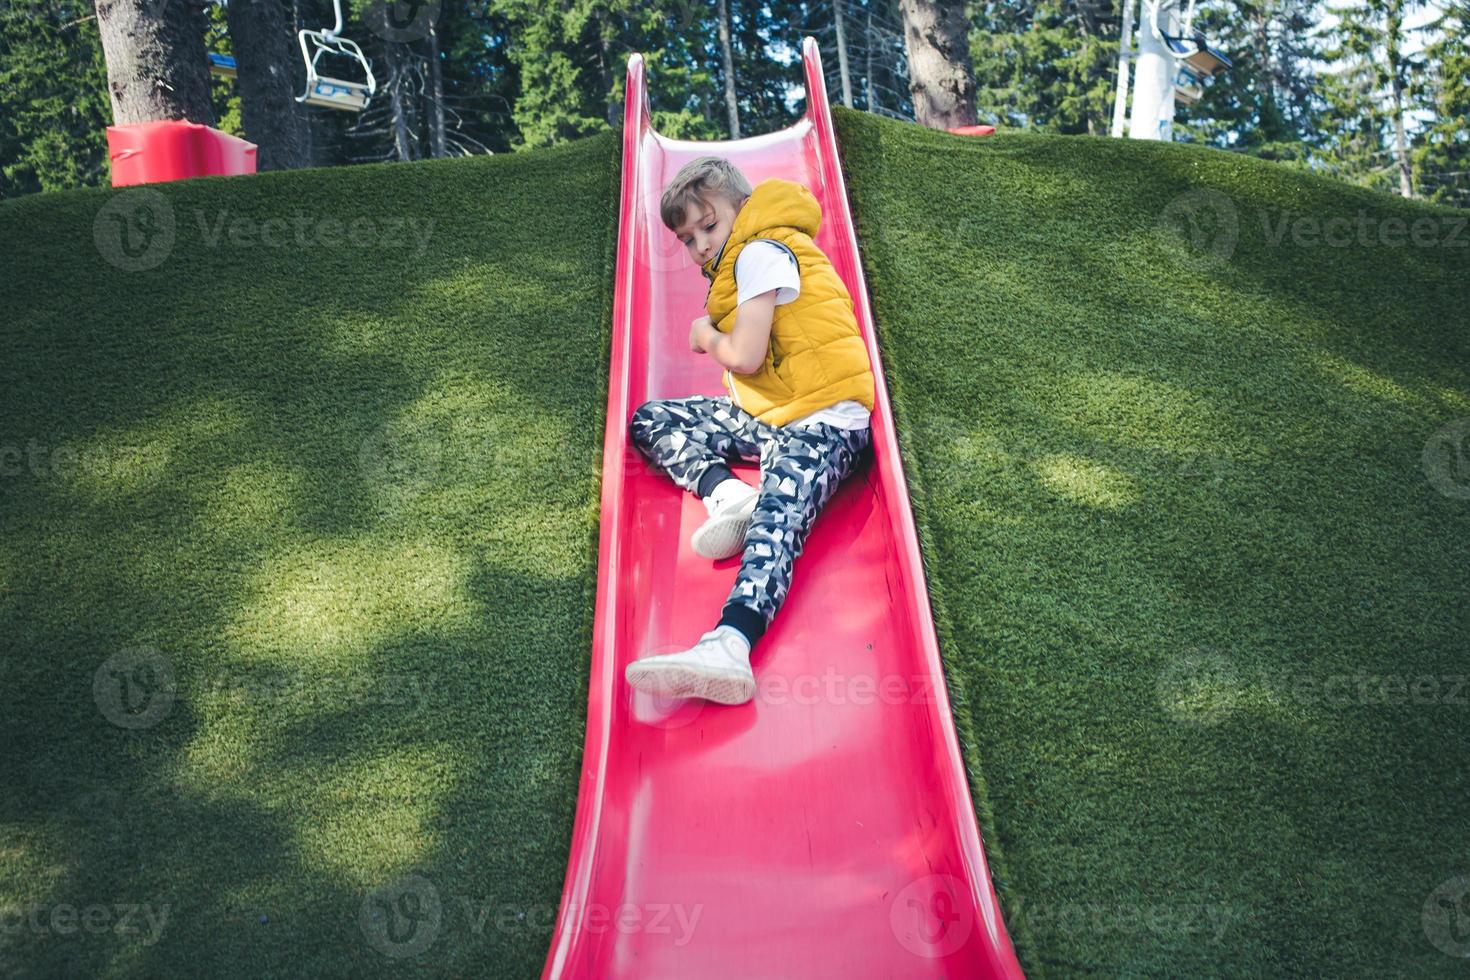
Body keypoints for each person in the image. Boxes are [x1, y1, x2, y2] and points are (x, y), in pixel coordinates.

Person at [623, 155, 876, 705]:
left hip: (824, 420)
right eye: (687, 238)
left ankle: (731, 644)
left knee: (778, 516)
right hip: (778, 414)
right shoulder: (742, 259)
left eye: (709, 225)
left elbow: (745, 353)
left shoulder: (761, 253)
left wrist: (704, 337)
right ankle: (729, 492)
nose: (700, 246)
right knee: (652, 420)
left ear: (743, 207)